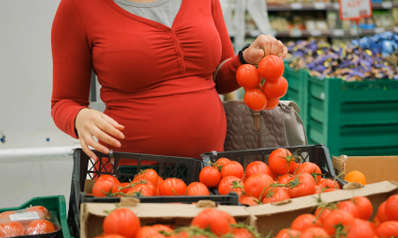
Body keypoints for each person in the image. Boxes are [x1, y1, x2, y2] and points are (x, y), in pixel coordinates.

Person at [51, 0, 287, 161]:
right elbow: (63, 102)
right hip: (135, 177)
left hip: (211, 170)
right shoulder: (79, 7)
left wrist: (246, 59)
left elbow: (220, 79)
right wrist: (78, 117)